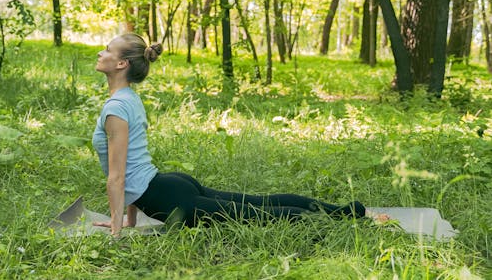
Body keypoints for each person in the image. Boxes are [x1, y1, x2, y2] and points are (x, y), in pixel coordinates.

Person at [91, 33, 385, 237]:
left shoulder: (116, 107)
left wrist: (118, 229)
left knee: (262, 214)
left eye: (106, 50)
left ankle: (349, 217)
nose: (100, 53)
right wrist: (129, 220)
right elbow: (131, 166)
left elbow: (117, 177)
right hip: (168, 185)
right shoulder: (128, 98)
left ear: (121, 64)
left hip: (167, 198)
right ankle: (350, 212)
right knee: (260, 203)